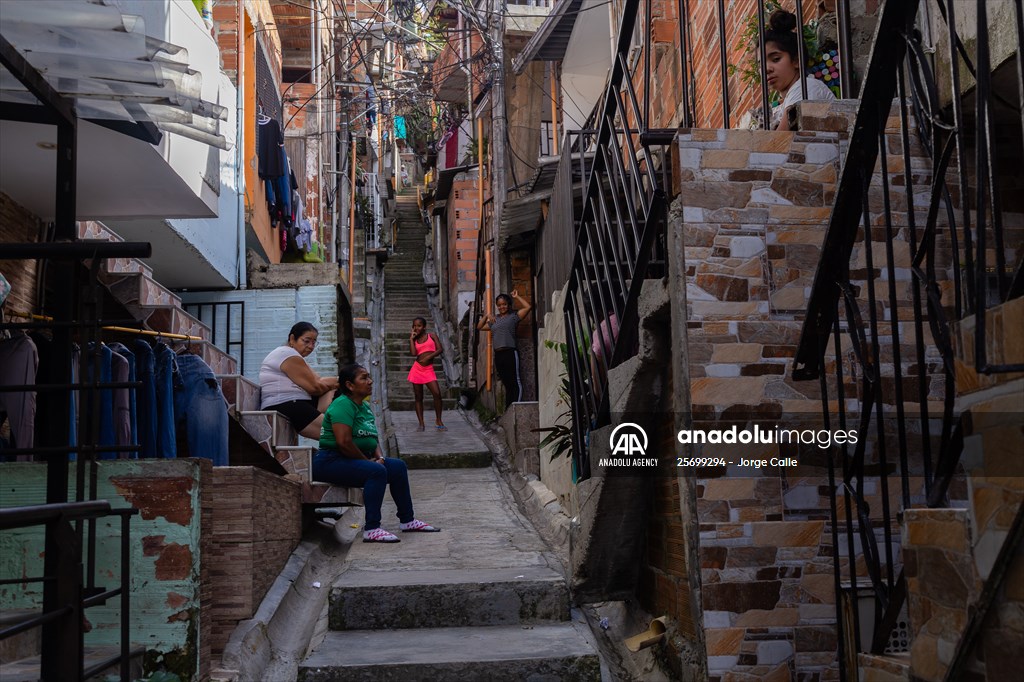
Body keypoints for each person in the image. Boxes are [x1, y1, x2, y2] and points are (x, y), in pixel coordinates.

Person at [313, 364, 440, 543]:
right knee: (376, 471)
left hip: (352, 458)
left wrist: (379, 457)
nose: (370, 381)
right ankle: (372, 528)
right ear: (350, 385)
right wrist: (369, 462)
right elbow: (344, 442)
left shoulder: (363, 407)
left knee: (397, 467)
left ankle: (407, 520)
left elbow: (372, 437)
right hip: (330, 461)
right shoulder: (342, 405)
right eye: (364, 378)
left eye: (369, 377)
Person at [259, 322, 339, 439]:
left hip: (295, 403)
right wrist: (334, 384)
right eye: (306, 341)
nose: (311, 346)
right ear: (292, 339)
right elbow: (315, 387)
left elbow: (319, 380)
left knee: (340, 389)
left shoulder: (295, 357)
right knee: (342, 435)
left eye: (313, 342)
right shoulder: (287, 354)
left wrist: (340, 381)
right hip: (285, 404)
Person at [765, 8, 835, 131]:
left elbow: (777, 144)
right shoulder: (782, 104)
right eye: (761, 64)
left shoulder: (806, 87)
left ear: (797, 60)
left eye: (776, 59)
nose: (767, 69)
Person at [476, 289, 532, 409]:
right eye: (499, 305)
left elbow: (528, 307)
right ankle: (508, 408)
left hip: (510, 352)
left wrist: (517, 297)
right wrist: (486, 315)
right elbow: (479, 327)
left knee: (515, 381)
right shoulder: (494, 320)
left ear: (509, 305)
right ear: (497, 306)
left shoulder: (513, 317)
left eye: (504, 304)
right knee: (506, 383)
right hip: (498, 355)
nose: (502, 307)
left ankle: (516, 406)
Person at [408, 317, 446, 432]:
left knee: (437, 394)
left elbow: (440, 350)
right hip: (417, 370)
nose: (416, 328)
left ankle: (438, 420)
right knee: (418, 398)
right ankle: (421, 423)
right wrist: (411, 339)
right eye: (414, 326)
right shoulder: (415, 340)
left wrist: (429, 357)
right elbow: (414, 353)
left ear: (424, 327)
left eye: (419, 325)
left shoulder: (432, 336)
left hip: (428, 369)